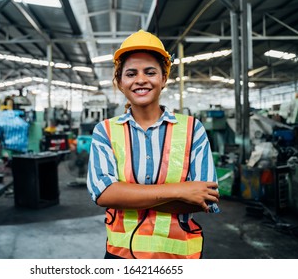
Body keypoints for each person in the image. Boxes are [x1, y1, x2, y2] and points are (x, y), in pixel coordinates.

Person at [87, 29, 220, 259]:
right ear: (120, 82)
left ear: (164, 78)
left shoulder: (192, 129)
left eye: (150, 72)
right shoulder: (105, 131)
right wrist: (179, 190)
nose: (141, 80)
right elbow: (104, 193)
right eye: (131, 73)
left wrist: (128, 196)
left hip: (179, 257)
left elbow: (204, 198)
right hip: (121, 255)